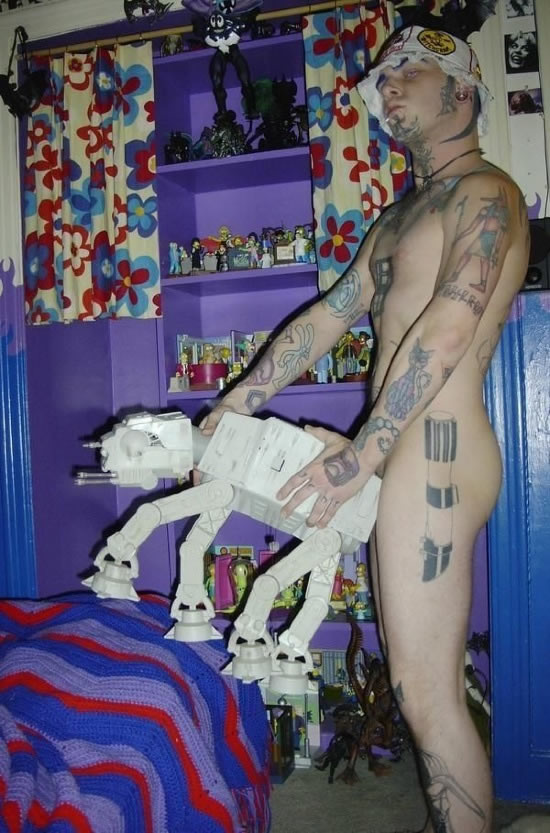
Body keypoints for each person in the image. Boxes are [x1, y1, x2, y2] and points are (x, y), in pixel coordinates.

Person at [200, 23, 530, 833]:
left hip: (436, 445)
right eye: (382, 77)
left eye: (408, 71)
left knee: (426, 692)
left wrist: (363, 454)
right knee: (417, 683)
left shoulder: (488, 194)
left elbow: (447, 328)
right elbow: (328, 317)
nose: (387, 86)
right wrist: (239, 399)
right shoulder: (399, 215)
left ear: (463, 91)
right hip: (401, 449)